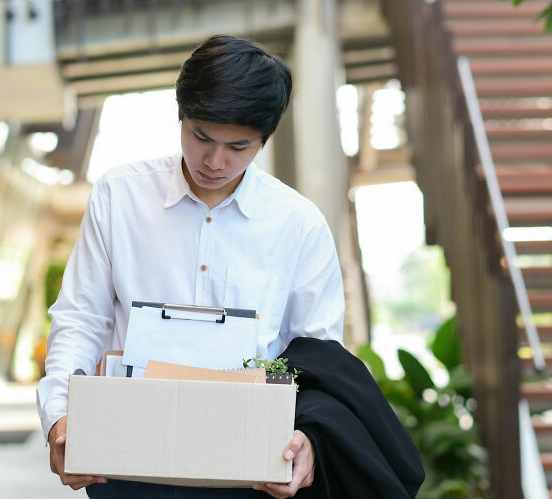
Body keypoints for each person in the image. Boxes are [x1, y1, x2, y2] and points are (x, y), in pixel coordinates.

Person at [37, 34, 345, 499]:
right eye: (201, 136)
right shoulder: (120, 195)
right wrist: (59, 415)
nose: (214, 161)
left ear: (263, 140)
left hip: (251, 466)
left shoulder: (298, 225)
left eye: (238, 147)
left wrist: (311, 439)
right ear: (180, 114)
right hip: (127, 459)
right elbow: (81, 317)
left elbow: (319, 353)